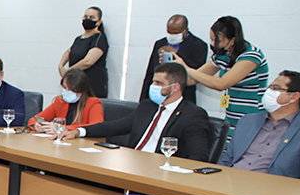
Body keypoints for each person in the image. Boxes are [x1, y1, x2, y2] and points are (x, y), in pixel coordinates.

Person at [57, 63, 210, 161]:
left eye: (158, 83)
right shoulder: (147, 106)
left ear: (175, 87)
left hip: (160, 170)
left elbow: (198, 157)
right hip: (133, 163)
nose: (153, 86)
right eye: (153, 81)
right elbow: (116, 126)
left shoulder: (192, 115)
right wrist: (78, 131)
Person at [218, 71, 300, 182]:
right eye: (270, 87)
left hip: (271, 188)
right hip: (230, 182)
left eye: (275, 88)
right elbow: (227, 160)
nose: (268, 91)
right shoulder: (248, 120)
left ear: (294, 97)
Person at [171, 16, 269, 135]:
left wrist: (187, 68)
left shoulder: (251, 55)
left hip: (252, 118)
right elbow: (192, 79)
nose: (214, 44)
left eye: (218, 41)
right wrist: (170, 72)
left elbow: (222, 84)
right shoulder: (223, 55)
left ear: (232, 40)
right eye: (212, 39)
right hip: (232, 117)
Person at [139, 15, 207, 105]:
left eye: (175, 33)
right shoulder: (160, 43)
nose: (172, 35)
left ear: (186, 31)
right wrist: (143, 100)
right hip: (158, 95)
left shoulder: (199, 45)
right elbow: (150, 72)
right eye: (169, 32)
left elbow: (197, 72)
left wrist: (177, 54)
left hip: (184, 96)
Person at [28, 68, 104, 132]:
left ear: (81, 90)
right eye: (64, 87)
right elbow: (34, 119)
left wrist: (62, 128)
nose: (67, 91)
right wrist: (36, 125)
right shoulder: (60, 101)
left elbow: (97, 127)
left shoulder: (93, 103)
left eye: (71, 89)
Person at [58, 6, 108, 98]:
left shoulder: (99, 38)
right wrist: (61, 66)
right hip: (76, 85)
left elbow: (88, 61)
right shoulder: (78, 39)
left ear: (99, 22)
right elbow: (69, 52)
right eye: (85, 17)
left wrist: (69, 71)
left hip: (92, 85)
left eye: (92, 17)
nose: (87, 19)